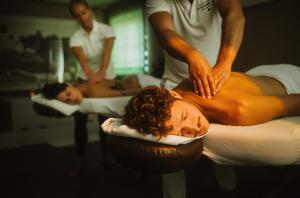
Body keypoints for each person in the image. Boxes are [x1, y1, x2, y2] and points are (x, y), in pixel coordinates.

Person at [123, 64, 300, 138]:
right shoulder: (179, 91)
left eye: (185, 117)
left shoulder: (239, 110)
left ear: (174, 95)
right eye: (181, 133)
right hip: (255, 74)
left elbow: (295, 102)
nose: (193, 128)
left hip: (290, 79)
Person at [146, 0, 245, 99]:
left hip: (216, 82)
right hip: (174, 84)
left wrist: (224, 64)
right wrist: (193, 56)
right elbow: (164, 32)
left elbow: (235, 15)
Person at [41, 75, 141, 104]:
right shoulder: (82, 86)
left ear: (70, 85)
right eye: (67, 100)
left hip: (139, 81)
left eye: (68, 94)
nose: (72, 99)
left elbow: (134, 92)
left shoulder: (93, 92)